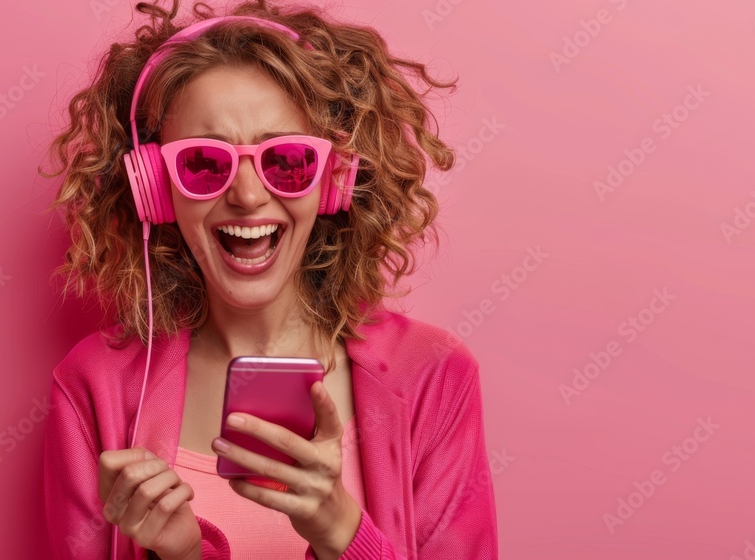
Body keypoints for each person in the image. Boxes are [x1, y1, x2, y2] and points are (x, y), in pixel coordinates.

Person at [40, 1, 499, 558]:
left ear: (333, 180)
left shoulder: (432, 377)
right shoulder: (94, 388)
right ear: (155, 191)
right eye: (204, 164)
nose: (249, 195)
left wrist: (344, 535)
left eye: (286, 160)